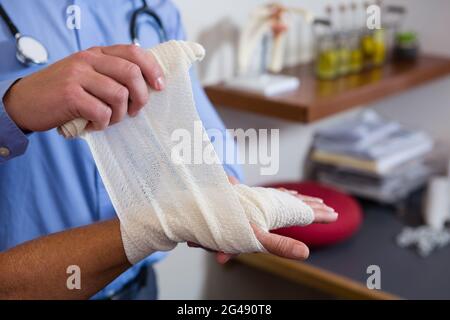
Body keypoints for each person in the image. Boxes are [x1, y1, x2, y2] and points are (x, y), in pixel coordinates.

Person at [0, 0, 336, 300]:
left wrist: (220, 193)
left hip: (138, 287)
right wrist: (13, 107)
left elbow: (198, 133)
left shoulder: (153, 7)